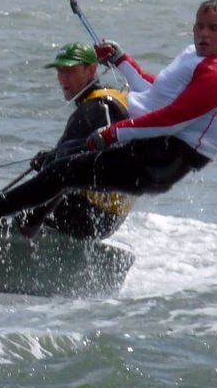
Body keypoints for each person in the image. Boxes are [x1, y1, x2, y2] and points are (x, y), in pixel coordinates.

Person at [0, 0, 217, 232]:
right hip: (154, 145)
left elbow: (172, 118)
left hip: (166, 161)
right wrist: (122, 60)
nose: (203, 33)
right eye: (200, 26)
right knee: (61, 158)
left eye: (214, 28)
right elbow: (158, 93)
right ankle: (28, 222)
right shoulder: (196, 56)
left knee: (64, 171)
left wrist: (113, 133)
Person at [8, 42, 135, 240]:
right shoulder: (112, 97)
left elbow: (61, 167)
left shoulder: (91, 110)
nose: (62, 78)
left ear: (90, 70)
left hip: (90, 214)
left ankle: (20, 228)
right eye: (60, 71)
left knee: (21, 208)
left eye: (70, 71)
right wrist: (51, 156)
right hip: (112, 217)